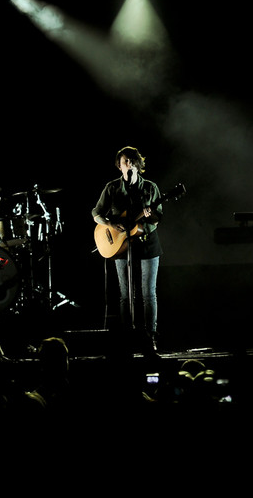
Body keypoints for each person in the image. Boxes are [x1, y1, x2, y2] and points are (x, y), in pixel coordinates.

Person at [92, 146, 163, 352]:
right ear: (119, 166)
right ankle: (127, 335)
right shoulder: (112, 188)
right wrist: (110, 225)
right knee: (125, 295)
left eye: (132, 161)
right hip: (122, 247)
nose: (129, 164)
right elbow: (96, 212)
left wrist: (151, 216)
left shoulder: (150, 188)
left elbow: (159, 217)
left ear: (138, 164)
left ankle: (151, 337)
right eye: (125, 161)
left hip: (147, 243)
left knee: (149, 294)